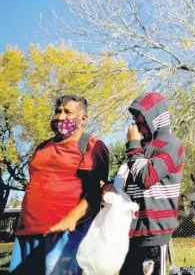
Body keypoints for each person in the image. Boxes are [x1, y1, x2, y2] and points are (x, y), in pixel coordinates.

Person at [10, 95, 110, 275]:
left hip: (64, 232)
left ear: (83, 118)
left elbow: (96, 190)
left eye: (68, 112)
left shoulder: (91, 145)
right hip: (27, 231)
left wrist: (71, 219)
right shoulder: (42, 147)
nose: (61, 116)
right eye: (58, 111)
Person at [116, 92, 185, 275]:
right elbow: (128, 180)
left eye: (141, 116)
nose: (137, 122)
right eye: (135, 117)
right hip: (131, 231)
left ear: (156, 116)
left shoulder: (171, 145)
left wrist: (133, 146)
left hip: (153, 232)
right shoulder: (141, 148)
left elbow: (147, 177)